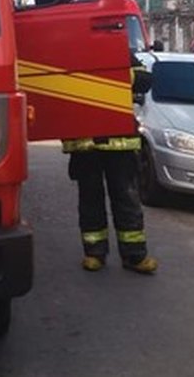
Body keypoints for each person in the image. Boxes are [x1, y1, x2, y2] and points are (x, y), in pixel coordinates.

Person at [61, 57, 159, 274]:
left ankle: (135, 255)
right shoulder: (69, 52)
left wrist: (115, 75)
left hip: (120, 143)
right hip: (85, 144)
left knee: (126, 198)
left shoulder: (119, 51)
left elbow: (144, 80)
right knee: (90, 200)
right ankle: (94, 252)